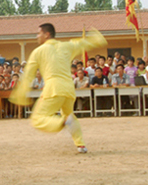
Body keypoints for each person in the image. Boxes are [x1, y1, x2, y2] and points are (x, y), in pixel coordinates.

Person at [10, 23, 107, 154]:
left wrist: (19, 96)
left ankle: (63, 122)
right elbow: (84, 43)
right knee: (69, 114)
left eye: (39, 33)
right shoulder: (67, 45)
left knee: (37, 119)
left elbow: (28, 75)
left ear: (47, 34)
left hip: (53, 89)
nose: (36, 36)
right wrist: (97, 38)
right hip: (69, 89)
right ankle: (81, 144)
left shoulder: (38, 51)